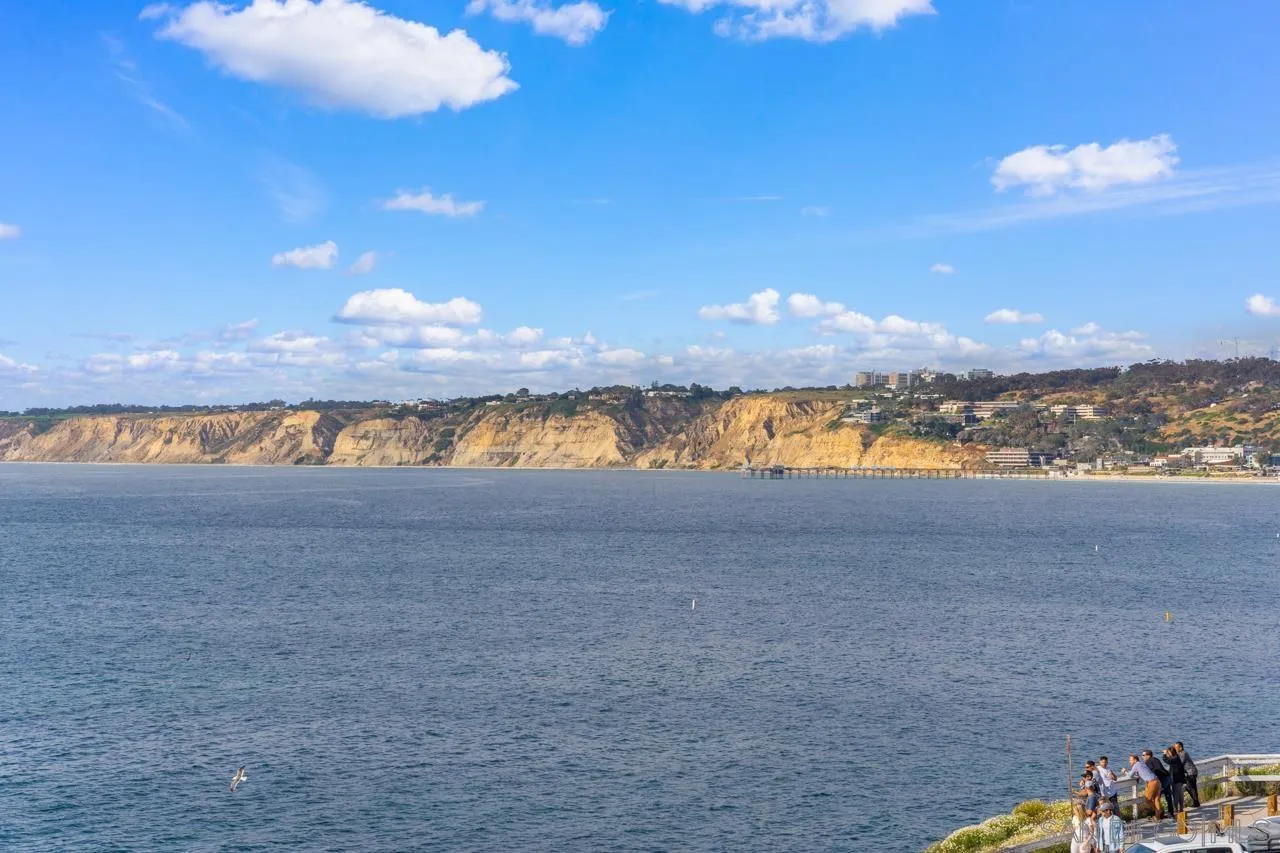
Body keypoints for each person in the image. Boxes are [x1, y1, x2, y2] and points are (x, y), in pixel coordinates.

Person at [1120, 753, 1163, 819]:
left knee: (1148, 800)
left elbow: (1130, 775)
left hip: (1151, 783)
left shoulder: (1136, 765)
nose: (1129, 761)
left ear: (1135, 760)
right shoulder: (1141, 763)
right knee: (1156, 799)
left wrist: (1125, 771)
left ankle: (1158, 812)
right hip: (1157, 781)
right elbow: (1141, 772)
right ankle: (1158, 816)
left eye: (1131, 760)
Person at [1144, 749, 1175, 817]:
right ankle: (1169, 812)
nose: (1143, 757)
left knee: (1157, 797)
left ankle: (1160, 813)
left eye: (1144, 755)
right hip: (1166, 777)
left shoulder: (1149, 761)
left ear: (1148, 755)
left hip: (1163, 779)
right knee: (1166, 796)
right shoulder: (1155, 759)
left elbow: (1157, 769)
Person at [1175, 742, 1201, 808]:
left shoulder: (1183, 753)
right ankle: (1196, 802)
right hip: (1190, 772)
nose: (1175, 748)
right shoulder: (1180, 754)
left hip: (1191, 772)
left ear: (1180, 747)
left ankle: (1196, 802)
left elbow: (1180, 763)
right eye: (1174, 747)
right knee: (1192, 787)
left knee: (1190, 787)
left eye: (1176, 747)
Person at [1163, 747, 1186, 812]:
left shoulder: (1175, 758)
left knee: (1176, 794)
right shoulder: (1176, 757)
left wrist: (1164, 754)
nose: (1167, 754)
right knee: (1180, 793)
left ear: (1171, 752)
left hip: (1176, 779)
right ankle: (1181, 808)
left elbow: (1167, 761)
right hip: (1179, 778)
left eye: (1168, 752)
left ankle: (1176, 809)